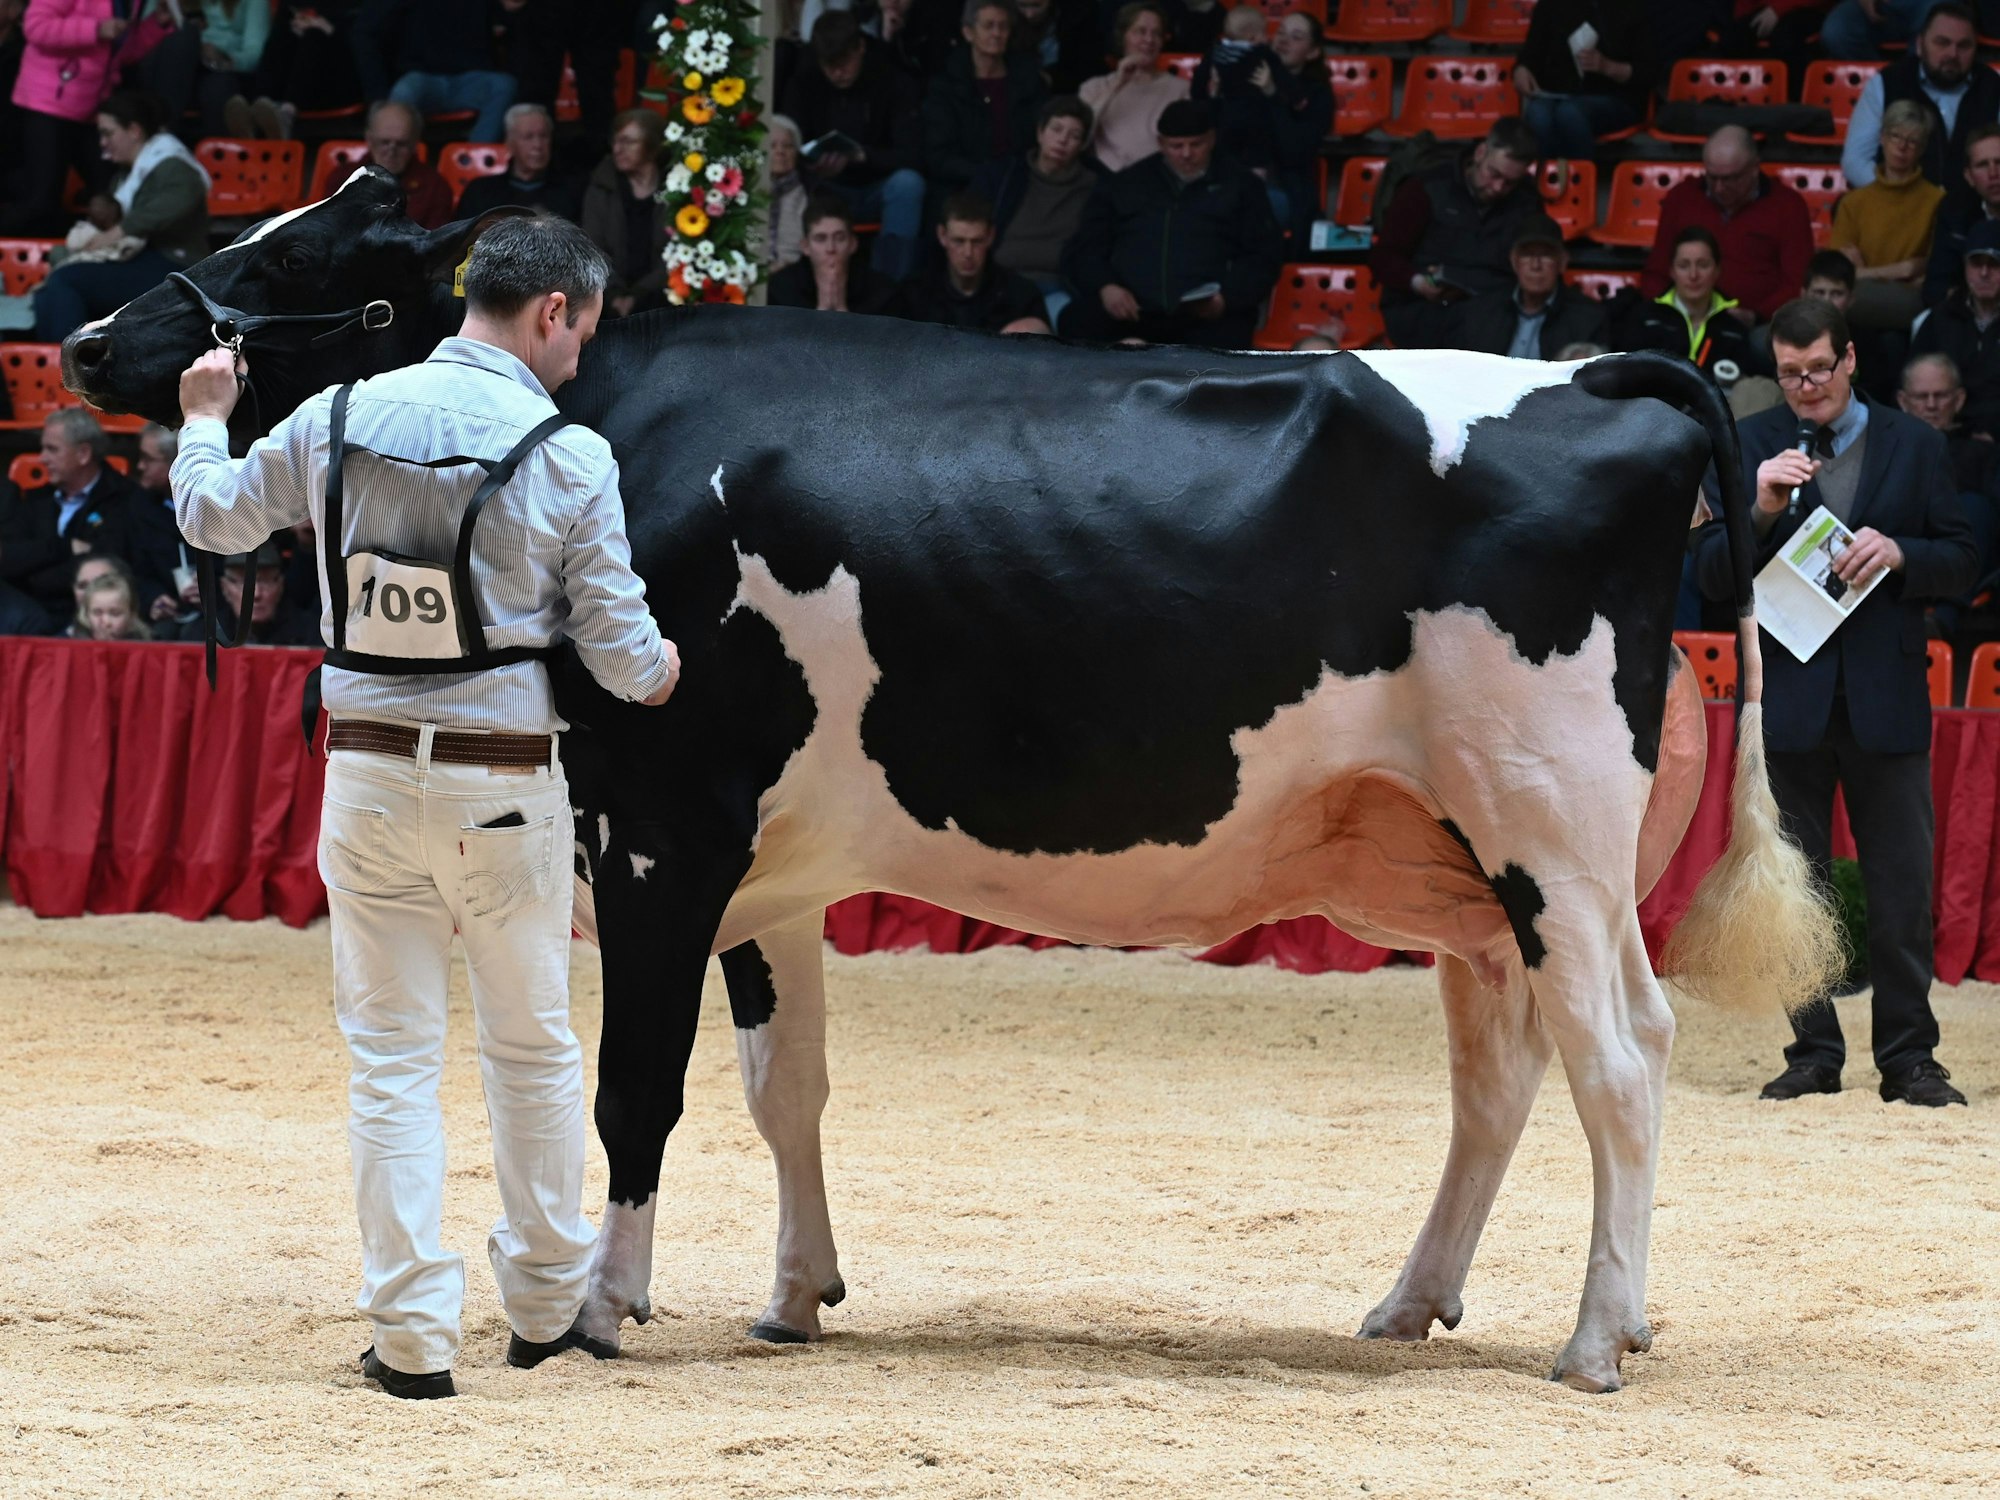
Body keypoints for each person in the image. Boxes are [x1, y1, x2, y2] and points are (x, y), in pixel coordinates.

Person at [171, 214, 679, 1399]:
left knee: (389, 1060)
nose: (579, 358)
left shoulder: (338, 414)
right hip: (502, 785)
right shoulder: (567, 451)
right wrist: (664, 672)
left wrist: (203, 419)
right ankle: (547, 1305)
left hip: (364, 773)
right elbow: (619, 654)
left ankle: (409, 1339)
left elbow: (215, 519)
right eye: (581, 332)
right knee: (532, 1045)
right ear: (553, 311)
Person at [1694, 296, 1977, 1107]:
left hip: (1886, 695)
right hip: (1789, 698)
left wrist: (1903, 552)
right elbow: (1711, 574)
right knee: (1795, 890)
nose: (1808, 385)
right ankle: (1812, 1052)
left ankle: (1909, 1060)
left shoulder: (1915, 445)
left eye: (1819, 368)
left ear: (1851, 359)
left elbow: (1962, 559)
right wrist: (1761, 510)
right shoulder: (1747, 444)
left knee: (1900, 890)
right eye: (1790, 374)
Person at [1060, 97, 1282, 348]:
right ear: (1161, 144)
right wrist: (1106, 286)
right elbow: (1088, 246)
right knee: (1075, 321)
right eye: (1177, 146)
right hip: (1133, 310)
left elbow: (1264, 255)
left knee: (1227, 344)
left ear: (1211, 139)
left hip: (1208, 313)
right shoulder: (1126, 184)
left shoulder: (1242, 185)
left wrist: (1226, 298)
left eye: (1195, 144)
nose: (1186, 154)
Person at [31, 90, 209, 342]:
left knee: (67, 280)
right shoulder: (123, 176)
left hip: (175, 266)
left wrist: (113, 233)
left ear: (134, 131)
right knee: (47, 291)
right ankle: (50, 373)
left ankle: (72, 374)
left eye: (108, 133)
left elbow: (165, 209)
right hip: (140, 261)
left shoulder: (175, 166)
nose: (102, 142)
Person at [1371, 116, 1544, 351]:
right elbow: (1384, 257)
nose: (1498, 188)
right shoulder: (1426, 187)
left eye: (1509, 183)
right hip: (1422, 307)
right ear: (1481, 152)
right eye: (1494, 174)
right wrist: (1418, 282)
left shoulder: (1525, 201)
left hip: (1492, 309)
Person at [781, 11, 927, 282]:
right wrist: (813, 168)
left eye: (844, 63)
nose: (837, 73)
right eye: (829, 65)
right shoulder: (804, 82)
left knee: (908, 185)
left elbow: (914, 154)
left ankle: (891, 285)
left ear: (860, 48)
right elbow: (792, 140)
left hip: (877, 186)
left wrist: (863, 156)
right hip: (824, 189)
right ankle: (801, 283)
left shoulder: (892, 78)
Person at [1642, 125, 1815, 327]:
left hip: (1758, 324)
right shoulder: (1681, 198)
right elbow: (1657, 271)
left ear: (1754, 168)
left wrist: (1756, 316)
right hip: (1684, 319)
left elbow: (1797, 283)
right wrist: (1669, 312)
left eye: (1730, 179)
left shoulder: (1788, 205)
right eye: (1712, 177)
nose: (1719, 187)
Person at [1191, 6, 1331, 244]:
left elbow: (1295, 152)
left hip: (1281, 187)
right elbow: (1209, 132)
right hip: (1228, 177)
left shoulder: (1316, 96)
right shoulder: (1238, 71)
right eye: (1281, 32)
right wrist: (1214, 97)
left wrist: (1273, 94)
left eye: (1296, 37)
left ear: (1313, 52)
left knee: (1237, 210)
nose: (1284, 41)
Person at [1841, 3, 1998, 198]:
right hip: (1899, 209)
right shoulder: (1887, 82)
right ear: (1919, 45)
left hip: (1975, 216)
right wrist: (1900, 194)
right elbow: (1855, 161)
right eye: (1942, 43)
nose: (1952, 54)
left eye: (1964, 46)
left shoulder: (1993, 87)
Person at [0, 409, 140, 622]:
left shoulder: (124, 499)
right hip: (30, 616)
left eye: (52, 449)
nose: (42, 458)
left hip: (93, 620)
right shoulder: (36, 499)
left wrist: (35, 571)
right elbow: (7, 557)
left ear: (83, 454)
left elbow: (106, 568)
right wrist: (65, 547)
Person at [0, 0, 123, 235]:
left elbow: (122, 49)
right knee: (41, 204)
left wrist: (156, 27)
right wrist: (95, 29)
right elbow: (36, 26)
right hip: (47, 102)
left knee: (110, 195)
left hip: (90, 105)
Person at [974, 93, 1097, 326]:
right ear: (1040, 132)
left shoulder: (1093, 187)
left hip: (1055, 285)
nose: (1063, 140)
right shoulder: (1006, 174)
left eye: (1074, 136)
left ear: (1082, 145)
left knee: (1064, 322)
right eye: (1056, 129)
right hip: (998, 281)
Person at [1898, 351, 2000, 625]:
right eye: (1921, 397)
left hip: (1960, 554)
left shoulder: (1983, 452)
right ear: (1903, 402)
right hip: (1902, 554)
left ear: (1959, 400)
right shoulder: (1888, 451)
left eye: (1941, 395)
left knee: (1976, 507)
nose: (1931, 405)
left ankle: (1944, 619)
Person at [1831, 98, 1945, 332]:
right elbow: (1837, 271)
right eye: (1895, 136)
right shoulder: (1854, 202)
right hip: (1860, 300)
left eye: (1912, 141)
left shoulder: (1937, 200)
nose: (1902, 147)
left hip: (1908, 302)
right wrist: (1902, 270)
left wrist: (1862, 272)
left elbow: (1932, 268)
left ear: (1922, 149)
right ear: (1882, 138)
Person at [923, 0, 1046, 198]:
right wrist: (986, 174)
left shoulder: (1028, 79)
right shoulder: (946, 85)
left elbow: (1039, 135)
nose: (997, 33)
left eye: (1003, 26)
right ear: (968, 32)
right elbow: (939, 157)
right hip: (963, 187)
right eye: (989, 26)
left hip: (1022, 183)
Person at [1451, 215, 1609, 360]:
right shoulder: (1480, 312)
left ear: (1562, 262)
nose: (1535, 265)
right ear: (1514, 262)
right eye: (1527, 255)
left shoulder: (1589, 319)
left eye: (1546, 255)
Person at [355, 0, 516, 143]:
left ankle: (472, 161)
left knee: (504, 85)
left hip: (471, 79)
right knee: (404, 91)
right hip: (423, 79)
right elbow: (366, 30)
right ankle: (399, 169)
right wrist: (377, 95)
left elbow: (510, 19)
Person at [1511, 0, 1655, 160]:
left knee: (1570, 113)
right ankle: (1542, 180)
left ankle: (1578, 180)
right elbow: (1530, 53)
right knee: (1538, 113)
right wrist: (1521, 69)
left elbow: (1647, 73)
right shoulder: (1551, 5)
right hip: (1556, 94)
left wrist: (1607, 67)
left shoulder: (1634, 7)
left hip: (1616, 97)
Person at [894, 191, 1051, 331]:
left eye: (977, 241)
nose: (968, 253)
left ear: (990, 236)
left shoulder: (1021, 295)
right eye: (959, 241)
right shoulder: (914, 293)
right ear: (942, 235)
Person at [1619, 226, 1761, 380]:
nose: (1693, 275)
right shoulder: (1645, 319)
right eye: (1684, 266)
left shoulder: (1734, 330)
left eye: (1703, 265)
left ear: (1717, 270)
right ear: (1672, 272)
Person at [1910, 218, 2000, 437]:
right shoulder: (1940, 318)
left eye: (1994, 264)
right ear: (1964, 266)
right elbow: (1910, 383)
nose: (1984, 273)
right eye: (1976, 263)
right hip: (1943, 435)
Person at [100, 420, 196, 622]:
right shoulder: (135, 506)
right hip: (159, 617)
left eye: (148, 459)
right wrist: (152, 597)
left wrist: (210, 584)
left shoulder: (213, 501)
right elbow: (129, 568)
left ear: (176, 462)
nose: (140, 466)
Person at [580, 108, 670, 317]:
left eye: (628, 142)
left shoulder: (674, 189)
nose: (618, 149)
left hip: (661, 298)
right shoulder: (602, 185)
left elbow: (674, 254)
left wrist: (638, 295)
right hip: (607, 300)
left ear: (652, 146)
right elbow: (592, 248)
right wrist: (616, 296)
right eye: (616, 141)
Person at [1077, 1, 1186, 174]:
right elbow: (1080, 138)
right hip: (1108, 180)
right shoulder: (1094, 87)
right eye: (1140, 31)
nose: (1149, 40)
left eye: (1156, 33)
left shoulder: (1181, 88)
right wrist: (1117, 84)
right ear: (1123, 36)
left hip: (1160, 181)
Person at [766, 192, 901, 313]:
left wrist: (842, 311)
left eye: (840, 238)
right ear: (805, 246)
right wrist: (821, 311)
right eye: (820, 239)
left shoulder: (880, 291)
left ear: (853, 244)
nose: (831, 248)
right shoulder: (782, 289)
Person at [247, 0, 364, 132]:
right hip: (300, 74)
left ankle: (285, 115)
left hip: (341, 78)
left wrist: (328, 29)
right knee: (283, 35)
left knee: (314, 35)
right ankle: (260, 105)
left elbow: (363, 45)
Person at [455, 104, 580, 221]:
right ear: (509, 143)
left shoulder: (572, 191)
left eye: (544, 136)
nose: (538, 145)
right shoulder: (480, 192)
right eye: (528, 137)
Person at [1923, 122, 2000, 303]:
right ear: (1969, 177)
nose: (1993, 173)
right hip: (1970, 314)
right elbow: (1936, 286)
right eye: (1982, 165)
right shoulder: (1955, 210)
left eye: (1999, 162)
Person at [352, 100, 452, 230]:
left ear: (414, 144)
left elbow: (438, 244)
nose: (391, 151)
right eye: (384, 142)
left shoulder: (435, 187)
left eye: (401, 144)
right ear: (369, 139)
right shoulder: (342, 179)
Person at [1711, 1, 1834, 99]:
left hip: (1806, 9)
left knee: (1786, 37)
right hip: (1763, 11)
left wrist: (1778, 9)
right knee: (1732, 38)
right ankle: (1736, 102)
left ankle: (1793, 105)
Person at [1009, 0, 1098, 93]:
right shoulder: (1004, 18)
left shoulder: (1078, 20)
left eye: (1036, 6)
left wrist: (1050, 78)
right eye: (1022, 6)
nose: (1029, 14)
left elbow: (1086, 69)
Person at [1823, 0, 1955, 62]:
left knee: (1937, 20)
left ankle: (1916, 90)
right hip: (1880, 6)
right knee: (1838, 30)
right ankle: (1881, 84)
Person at [766, 114, 810, 272]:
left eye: (788, 146)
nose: (780, 151)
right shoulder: (748, 191)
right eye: (773, 145)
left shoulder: (808, 194)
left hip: (792, 274)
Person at [78, 564, 149, 640]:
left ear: (131, 616)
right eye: (97, 613)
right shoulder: (71, 646)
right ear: (86, 616)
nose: (106, 622)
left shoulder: (147, 649)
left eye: (115, 614)